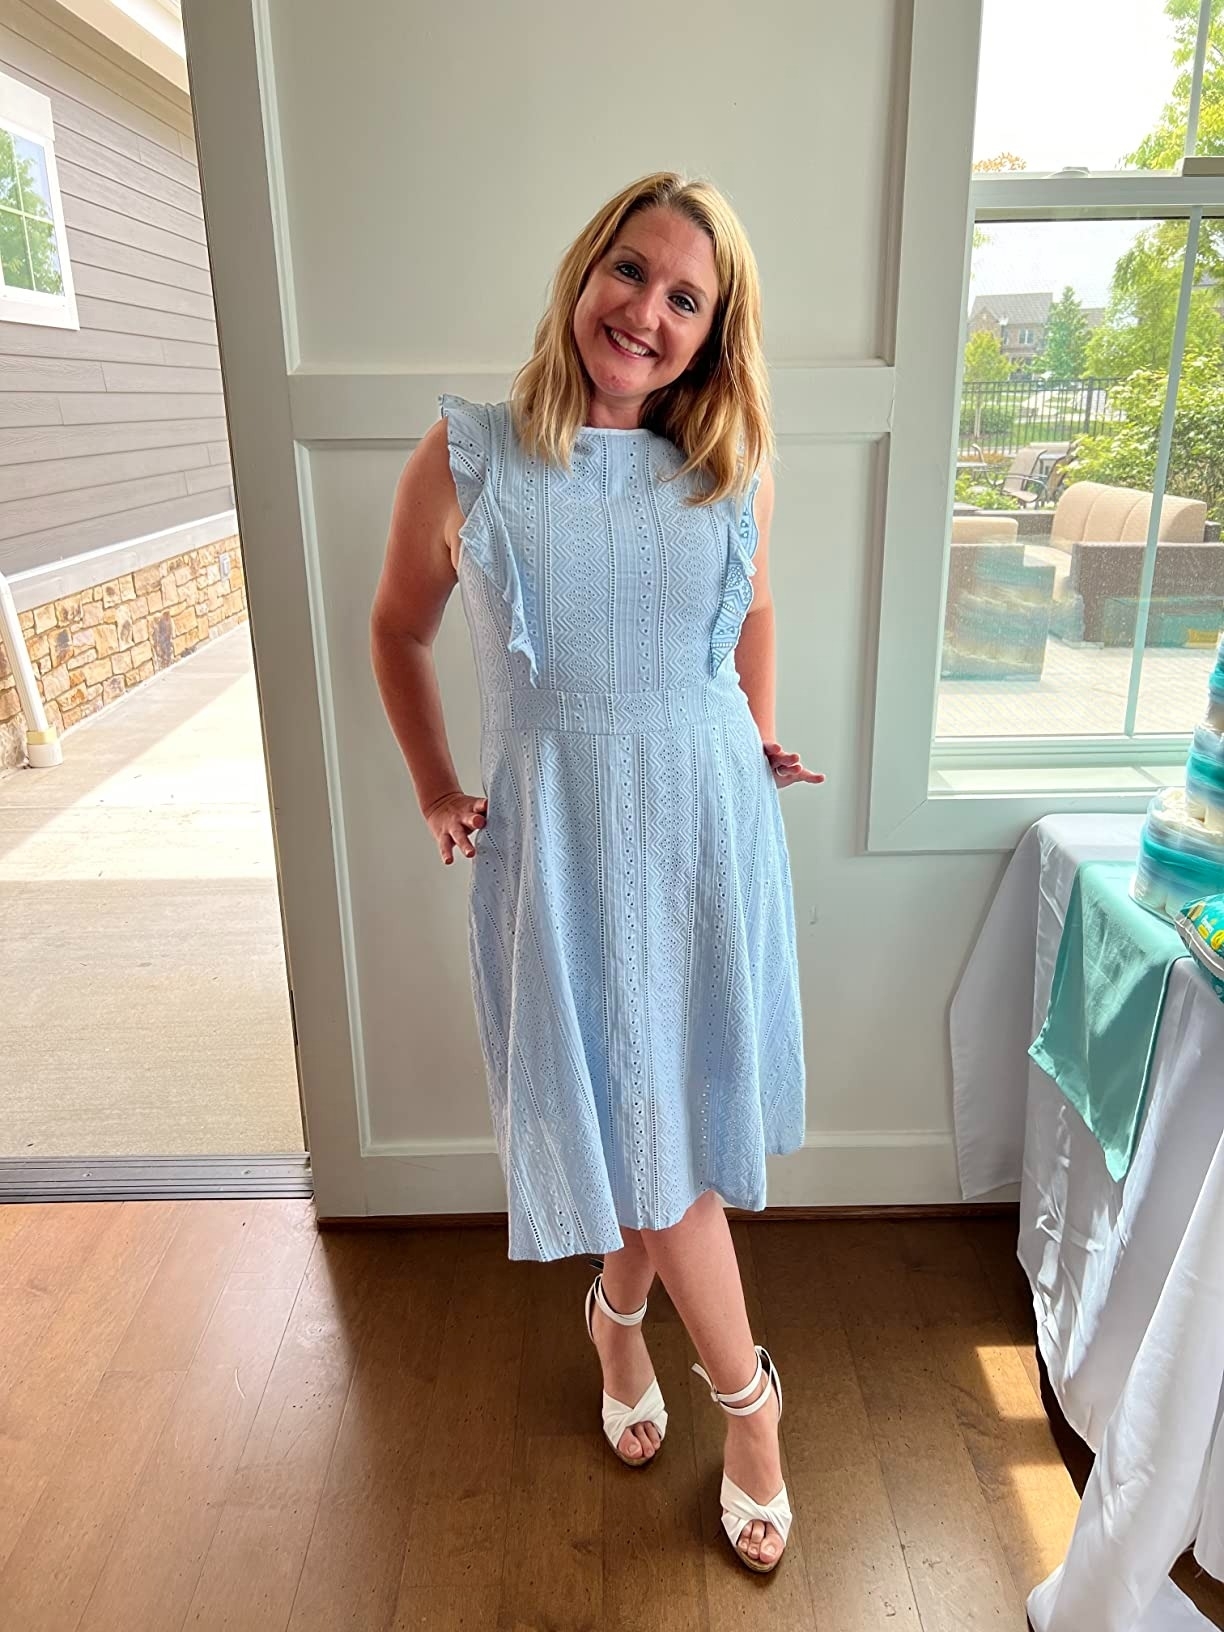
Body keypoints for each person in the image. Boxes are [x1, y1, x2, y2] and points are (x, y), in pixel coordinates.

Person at [370, 170, 822, 1575]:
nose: (648, 311)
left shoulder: (730, 456)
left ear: (714, 329)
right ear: (585, 272)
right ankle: (752, 1407)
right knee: (648, 1127)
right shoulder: (472, 454)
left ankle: (620, 1321)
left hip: (702, 834)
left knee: (667, 1122)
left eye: (687, 296)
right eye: (632, 272)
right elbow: (396, 627)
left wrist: (752, 738)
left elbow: (749, 611)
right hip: (562, 840)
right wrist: (438, 786)